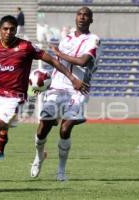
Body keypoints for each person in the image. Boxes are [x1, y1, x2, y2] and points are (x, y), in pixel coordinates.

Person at [0, 15, 89, 181]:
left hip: (13, 98)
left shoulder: (26, 47)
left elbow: (53, 61)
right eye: (5, 29)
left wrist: (72, 78)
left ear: (16, 30)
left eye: (12, 29)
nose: (9, 32)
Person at [30, 7, 100, 181]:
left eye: (86, 15)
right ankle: (39, 157)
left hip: (78, 88)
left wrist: (59, 54)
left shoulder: (94, 39)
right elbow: (57, 63)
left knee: (65, 128)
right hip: (57, 87)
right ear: (75, 18)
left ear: (91, 20)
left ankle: (61, 170)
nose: (82, 17)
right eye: (79, 14)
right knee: (43, 128)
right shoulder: (66, 38)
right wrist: (44, 78)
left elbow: (83, 61)